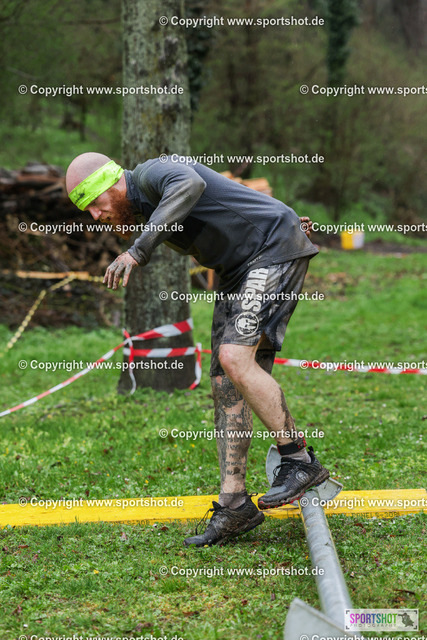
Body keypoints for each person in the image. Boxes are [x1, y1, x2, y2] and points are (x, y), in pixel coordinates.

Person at [66, 152, 330, 547]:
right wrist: (280, 211)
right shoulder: (144, 207)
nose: (95, 216)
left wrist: (137, 251)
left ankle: (297, 459)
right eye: (87, 210)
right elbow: (230, 198)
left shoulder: (152, 173)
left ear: (112, 184)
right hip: (238, 270)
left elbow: (192, 183)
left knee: (234, 357)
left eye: (95, 203)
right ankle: (234, 504)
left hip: (270, 249)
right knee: (226, 384)